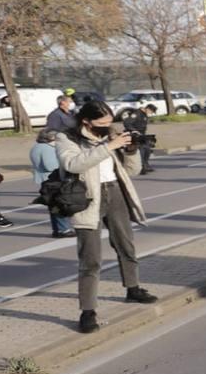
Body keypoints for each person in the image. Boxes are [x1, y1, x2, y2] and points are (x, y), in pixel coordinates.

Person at [55, 100, 158, 333]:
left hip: (114, 191)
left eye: (110, 122)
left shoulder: (112, 133)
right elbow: (73, 164)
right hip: (86, 198)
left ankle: (133, 288)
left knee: (126, 244)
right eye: (101, 123)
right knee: (90, 258)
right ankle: (88, 311)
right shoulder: (67, 138)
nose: (107, 126)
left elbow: (132, 171)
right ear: (86, 122)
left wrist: (131, 150)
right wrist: (108, 146)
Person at [30, 129, 75, 237]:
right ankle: (64, 229)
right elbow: (50, 165)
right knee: (59, 204)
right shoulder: (47, 149)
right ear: (51, 138)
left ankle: (57, 229)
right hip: (52, 180)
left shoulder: (37, 147)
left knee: (53, 205)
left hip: (45, 180)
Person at [120, 103, 156, 173]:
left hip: (141, 135)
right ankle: (141, 167)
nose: (151, 113)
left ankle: (145, 164)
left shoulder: (144, 114)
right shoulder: (137, 113)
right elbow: (126, 123)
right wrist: (134, 130)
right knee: (141, 149)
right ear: (147, 109)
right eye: (151, 112)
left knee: (147, 149)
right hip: (134, 134)